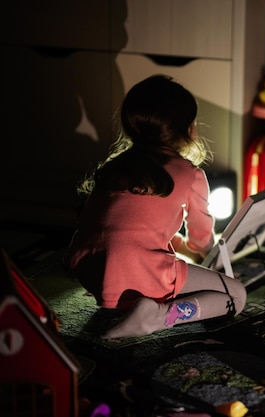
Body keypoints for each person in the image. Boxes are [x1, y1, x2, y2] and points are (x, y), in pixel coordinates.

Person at [64, 75, 246, 339]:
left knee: (160, 263)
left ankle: (134, 306)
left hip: (91, 272)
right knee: (235, 296)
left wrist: (178, 244)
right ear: (188, 128)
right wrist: (210, 256)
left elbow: (126, 227)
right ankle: (158, 317)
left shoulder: (115, 166)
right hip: (139, 273)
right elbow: (201, 243)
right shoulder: (190, 173)